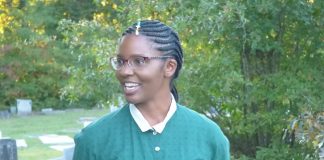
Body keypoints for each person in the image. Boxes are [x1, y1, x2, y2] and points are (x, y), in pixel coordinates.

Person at [72, 20, 230, 160]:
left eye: (139, 61)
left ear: (169, 67)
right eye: (120, 61)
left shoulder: (209, 136)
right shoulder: (93, 139)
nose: (124, 71)